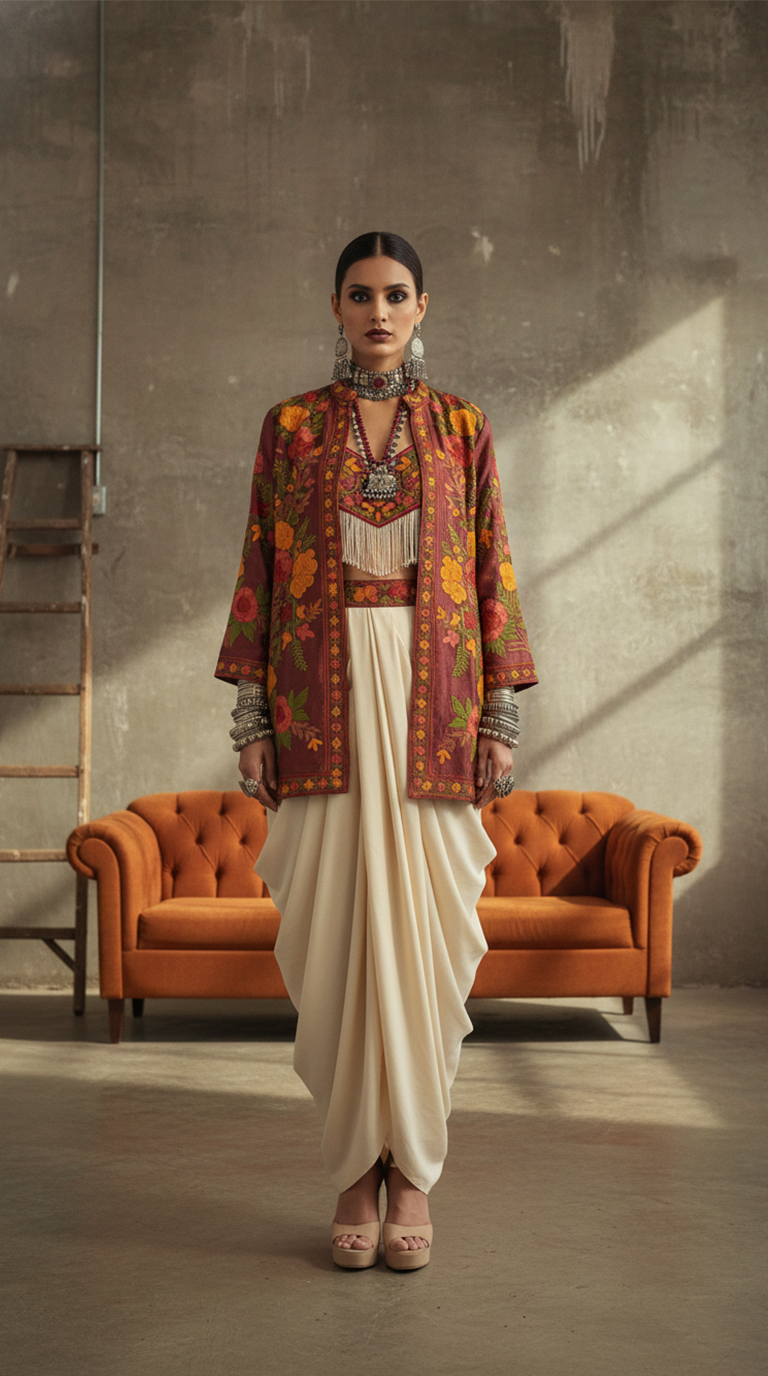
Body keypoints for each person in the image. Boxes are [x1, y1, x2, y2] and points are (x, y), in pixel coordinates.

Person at [215, 231, 537, 1271]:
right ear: (338, 307)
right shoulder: (293, 427)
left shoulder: (463, 429)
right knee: (341, 943)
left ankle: (414, 1176)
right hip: (321, 706)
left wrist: (500, 717)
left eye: (397, 293)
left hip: (435, 707)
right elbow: (261, 567)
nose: (379, 310)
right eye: (361, 294)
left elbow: (493, 570)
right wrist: (254, 720)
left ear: (424, 305)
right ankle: (354, 1168)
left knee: (423, 947)